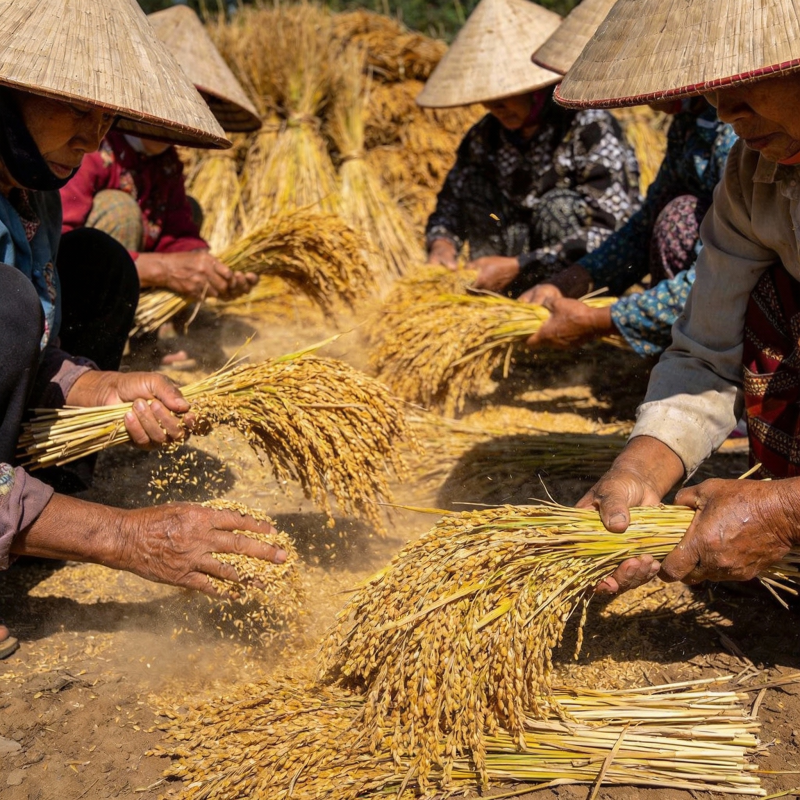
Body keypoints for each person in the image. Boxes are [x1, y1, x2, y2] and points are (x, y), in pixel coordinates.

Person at [0, 0, 285, 659]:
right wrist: (124, 536)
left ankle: (45, 497)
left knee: (98, 265)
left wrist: (102, 386)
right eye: (76, 107)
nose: (93, 136)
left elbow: (30, 349)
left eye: (107, 116)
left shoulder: (35, 193)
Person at [552, 0, 800, 594]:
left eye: (747, 78)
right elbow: (707, 351)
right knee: (768, 300)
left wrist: (784, 513)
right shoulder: (752, 173)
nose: (724, 110)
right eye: (713, 87)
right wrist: (640, 469)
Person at [518, 0, 737, 356]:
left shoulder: (734, 134)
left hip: (741, 291)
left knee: (679, 219)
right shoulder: (688, 123)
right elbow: (642, 227)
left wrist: (600, 320)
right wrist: (571, 280)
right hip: (715, 282)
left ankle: (704, 359)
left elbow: (721, 275)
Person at [417, 0, 641, 296]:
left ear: (538, 89)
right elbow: (450, 204)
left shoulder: (589, 128)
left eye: (506, 95)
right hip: (507, 267)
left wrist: (520, 265)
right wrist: (442, 244)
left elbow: (611, 230)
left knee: (558, 208)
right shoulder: (485, 137)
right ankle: (490, 297)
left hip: (576, 277)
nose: (494, 107)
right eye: (488, 97)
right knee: (474, 187)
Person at [59, 5, 262, 305]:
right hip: (83, 282)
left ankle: (150, 317)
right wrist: (162, 270)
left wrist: (211, 268)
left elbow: (176, 232)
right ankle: (107, 321)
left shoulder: (167, 162)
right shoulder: (93, 147)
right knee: (120, 210)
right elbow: (60, 240)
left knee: (190, 209)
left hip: (137, 270)